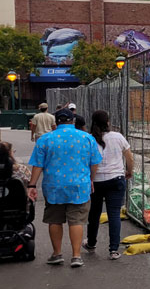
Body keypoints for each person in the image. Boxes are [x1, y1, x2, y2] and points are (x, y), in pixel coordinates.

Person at [27, 108, 103, 268]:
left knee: (54, 220)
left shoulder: (45, 139)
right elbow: (95, 162)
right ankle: (76, 256)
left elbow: (37, 165)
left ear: (56, 123)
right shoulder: (87, 138)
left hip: (54, 186)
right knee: (76, 221)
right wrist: (90, 179)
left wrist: (32, 185)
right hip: (79, 186)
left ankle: (57, 254)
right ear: (73, 121)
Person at [85, 110, 133, 259]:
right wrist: (129, 171)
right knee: (114, 214)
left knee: (94, 213)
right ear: (107, 122)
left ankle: (91, 242)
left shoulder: (90, 139)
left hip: (97, 180)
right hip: (116, 178)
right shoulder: (118, 137)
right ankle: (113, 250)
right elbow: (129, 157)